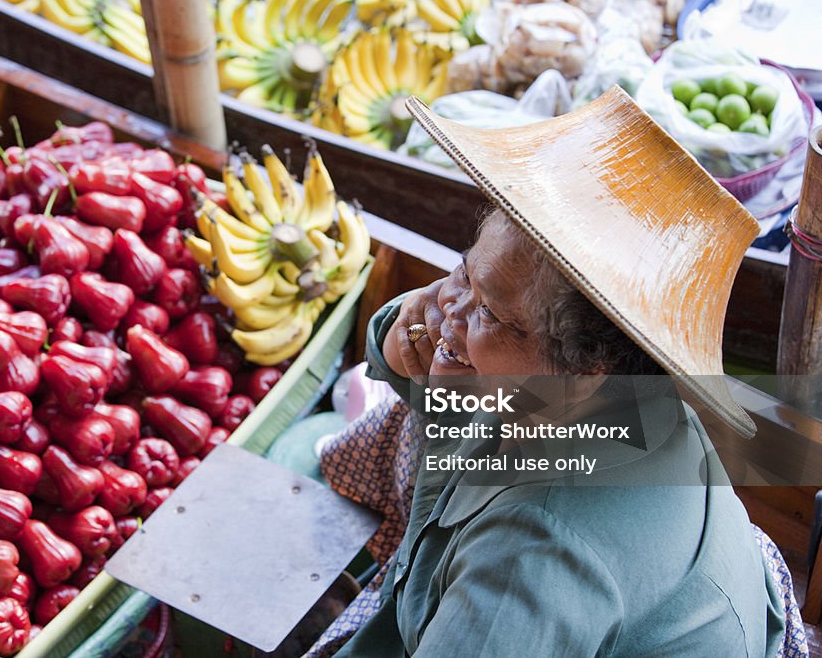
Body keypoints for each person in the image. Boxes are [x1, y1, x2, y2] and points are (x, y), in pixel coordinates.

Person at [305, 87, 788, 657]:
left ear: (587, 368)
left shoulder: (527, 564)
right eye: (463, 271)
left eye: (489, 311)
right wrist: (402, 333)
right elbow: (428, 365)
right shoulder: (598, 399)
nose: (451, 310)